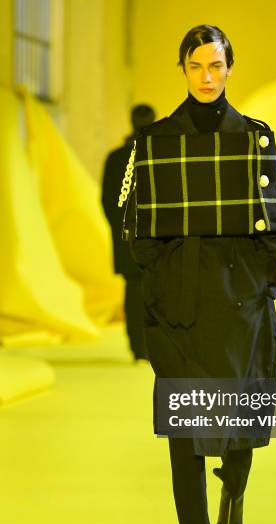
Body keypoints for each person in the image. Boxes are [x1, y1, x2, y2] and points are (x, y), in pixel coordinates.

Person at [121, 25, 276, 524]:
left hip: (239, 296)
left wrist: (256, 282)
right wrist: (168, 277)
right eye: (196, 65)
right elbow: (136, 224)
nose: (207, 76)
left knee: (240, 412)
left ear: (228, 69)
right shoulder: (155, 141)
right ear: (183, 68)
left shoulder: (256, 138)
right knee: (185, 425)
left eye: (216, 65)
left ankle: (234, 492)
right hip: (179, 299)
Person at [101, 105, 156, 363]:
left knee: (134, 290)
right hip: (157, 237)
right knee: (155, 291)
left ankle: (138, 347)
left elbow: (108, 201)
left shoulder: (116, 158)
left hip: (128, 236)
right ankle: (150, 345)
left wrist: (122, 229)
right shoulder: (160, 155)